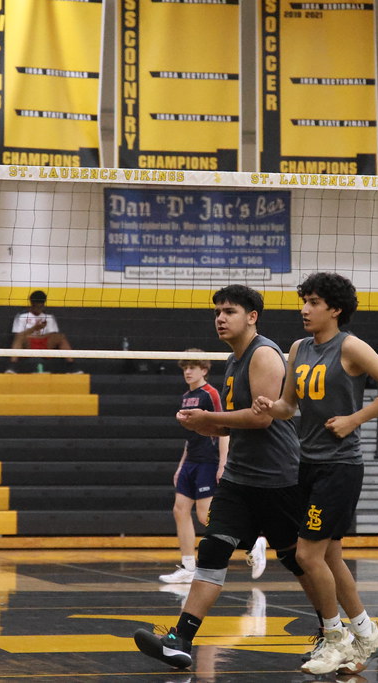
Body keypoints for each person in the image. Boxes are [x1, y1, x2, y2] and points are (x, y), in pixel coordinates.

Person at [134, 284, 312, 671]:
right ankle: (180, 639)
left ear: (252, 317)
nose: (219, 317)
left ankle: (336, 632)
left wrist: (210, 420)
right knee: (212, 550)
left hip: (277, 477)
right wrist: (206, 429)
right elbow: (239, 425)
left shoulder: (263, 354)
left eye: (229, 311)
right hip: (240, 477)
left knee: (301, 560)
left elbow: (262, 417)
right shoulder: (234, 360)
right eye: (217, 311)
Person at [252, 272, 378, 674]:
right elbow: (290, 406)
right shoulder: (298, 348)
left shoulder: (351, 346)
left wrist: (355, 419)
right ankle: (367, 634)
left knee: (307, 555)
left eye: (315, 302)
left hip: (340, 466)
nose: (305, 309)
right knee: (332, 556)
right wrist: (271, 407)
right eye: (303, 301)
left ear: (335, 309)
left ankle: (335, 638)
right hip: (308, 462)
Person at [160, 350, 229, 584]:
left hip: (209, 461)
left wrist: (223, 462)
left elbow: (224, 428)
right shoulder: (185, 397)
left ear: (204, 370)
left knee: (204, 515)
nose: (188, 371)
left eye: (193, 367)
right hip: (191, 461)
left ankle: (251, 541)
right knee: (179, 510)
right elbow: (190, 437)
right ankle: (189, 567)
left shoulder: (211, 394)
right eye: (185, 367)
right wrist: (181, 466)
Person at [7, 290, 79, 373]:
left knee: (61, 337)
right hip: (29, 344)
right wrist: (34, 328)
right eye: (37, 307)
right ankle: (12, 366)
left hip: (45, 344)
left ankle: (73, 367)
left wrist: (41, 333)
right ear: (32, 304)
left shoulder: (49, 317)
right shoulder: (21, 316)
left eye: (41, 307)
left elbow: (53, 334)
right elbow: (18, 335)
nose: (39, 309)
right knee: (19, 337)